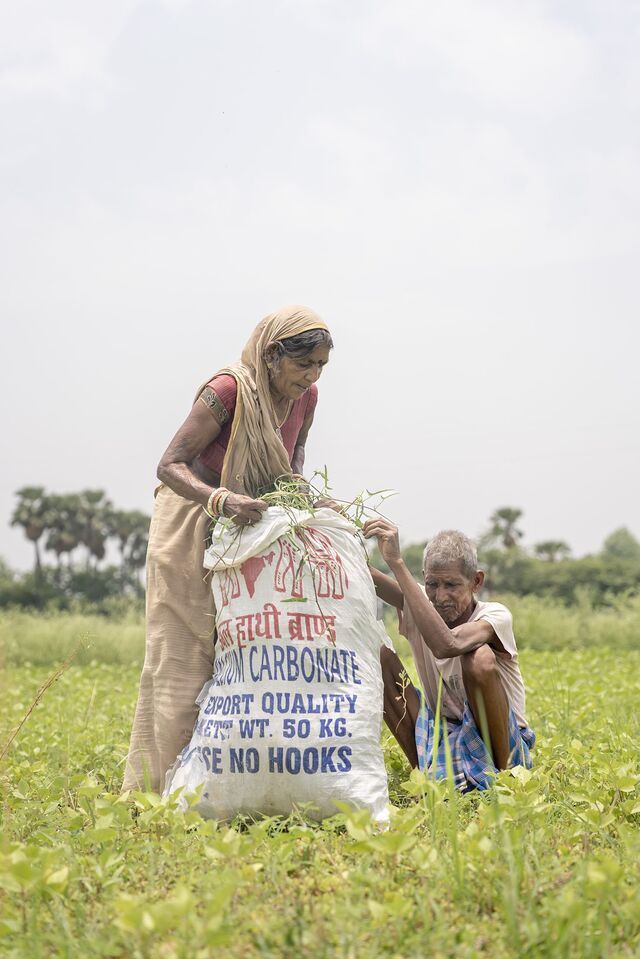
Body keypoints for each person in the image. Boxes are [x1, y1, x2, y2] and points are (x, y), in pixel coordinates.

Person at [123, 306, 333, 792]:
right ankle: (160, 792)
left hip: (251, 527)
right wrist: (219, 498)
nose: (312, 375)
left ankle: (224, 785)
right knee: (184, 656)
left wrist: (300, 490)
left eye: (321, 366)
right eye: (305, 365)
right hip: (191, 522)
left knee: (243, 651)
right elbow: (170, 464)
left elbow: (292, 457)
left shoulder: (308, 398)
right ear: (273, 354)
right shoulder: (228, 391)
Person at [363, 521, 535, 791]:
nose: (440, 596)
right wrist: (335, 532)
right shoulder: (421, 602)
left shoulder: (494, 615)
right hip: (445, 732)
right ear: (423, 577)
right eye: (432, 584)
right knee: (381, 657)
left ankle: (505, 778)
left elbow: (448, 644)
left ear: (476, 581)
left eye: (452, 585)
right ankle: (424, 774)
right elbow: (363, 574)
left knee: (478, 659)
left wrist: (396, 562)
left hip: (504, 740)